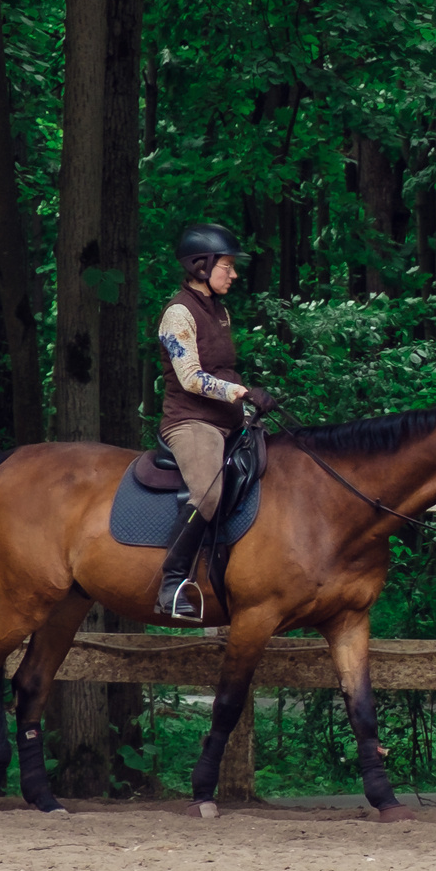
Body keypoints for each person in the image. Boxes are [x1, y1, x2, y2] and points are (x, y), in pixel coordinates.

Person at [154, 223, 275, 619]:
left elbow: (221, 367)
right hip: (191, 422)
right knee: (207, 492)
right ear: (201, 266)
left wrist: (249, 402)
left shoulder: (218, 311)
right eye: (227, 266)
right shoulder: (178, 314)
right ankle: (172, 582)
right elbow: (190, 377)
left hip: (228, 420)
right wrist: (239, 392)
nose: (234, 274)